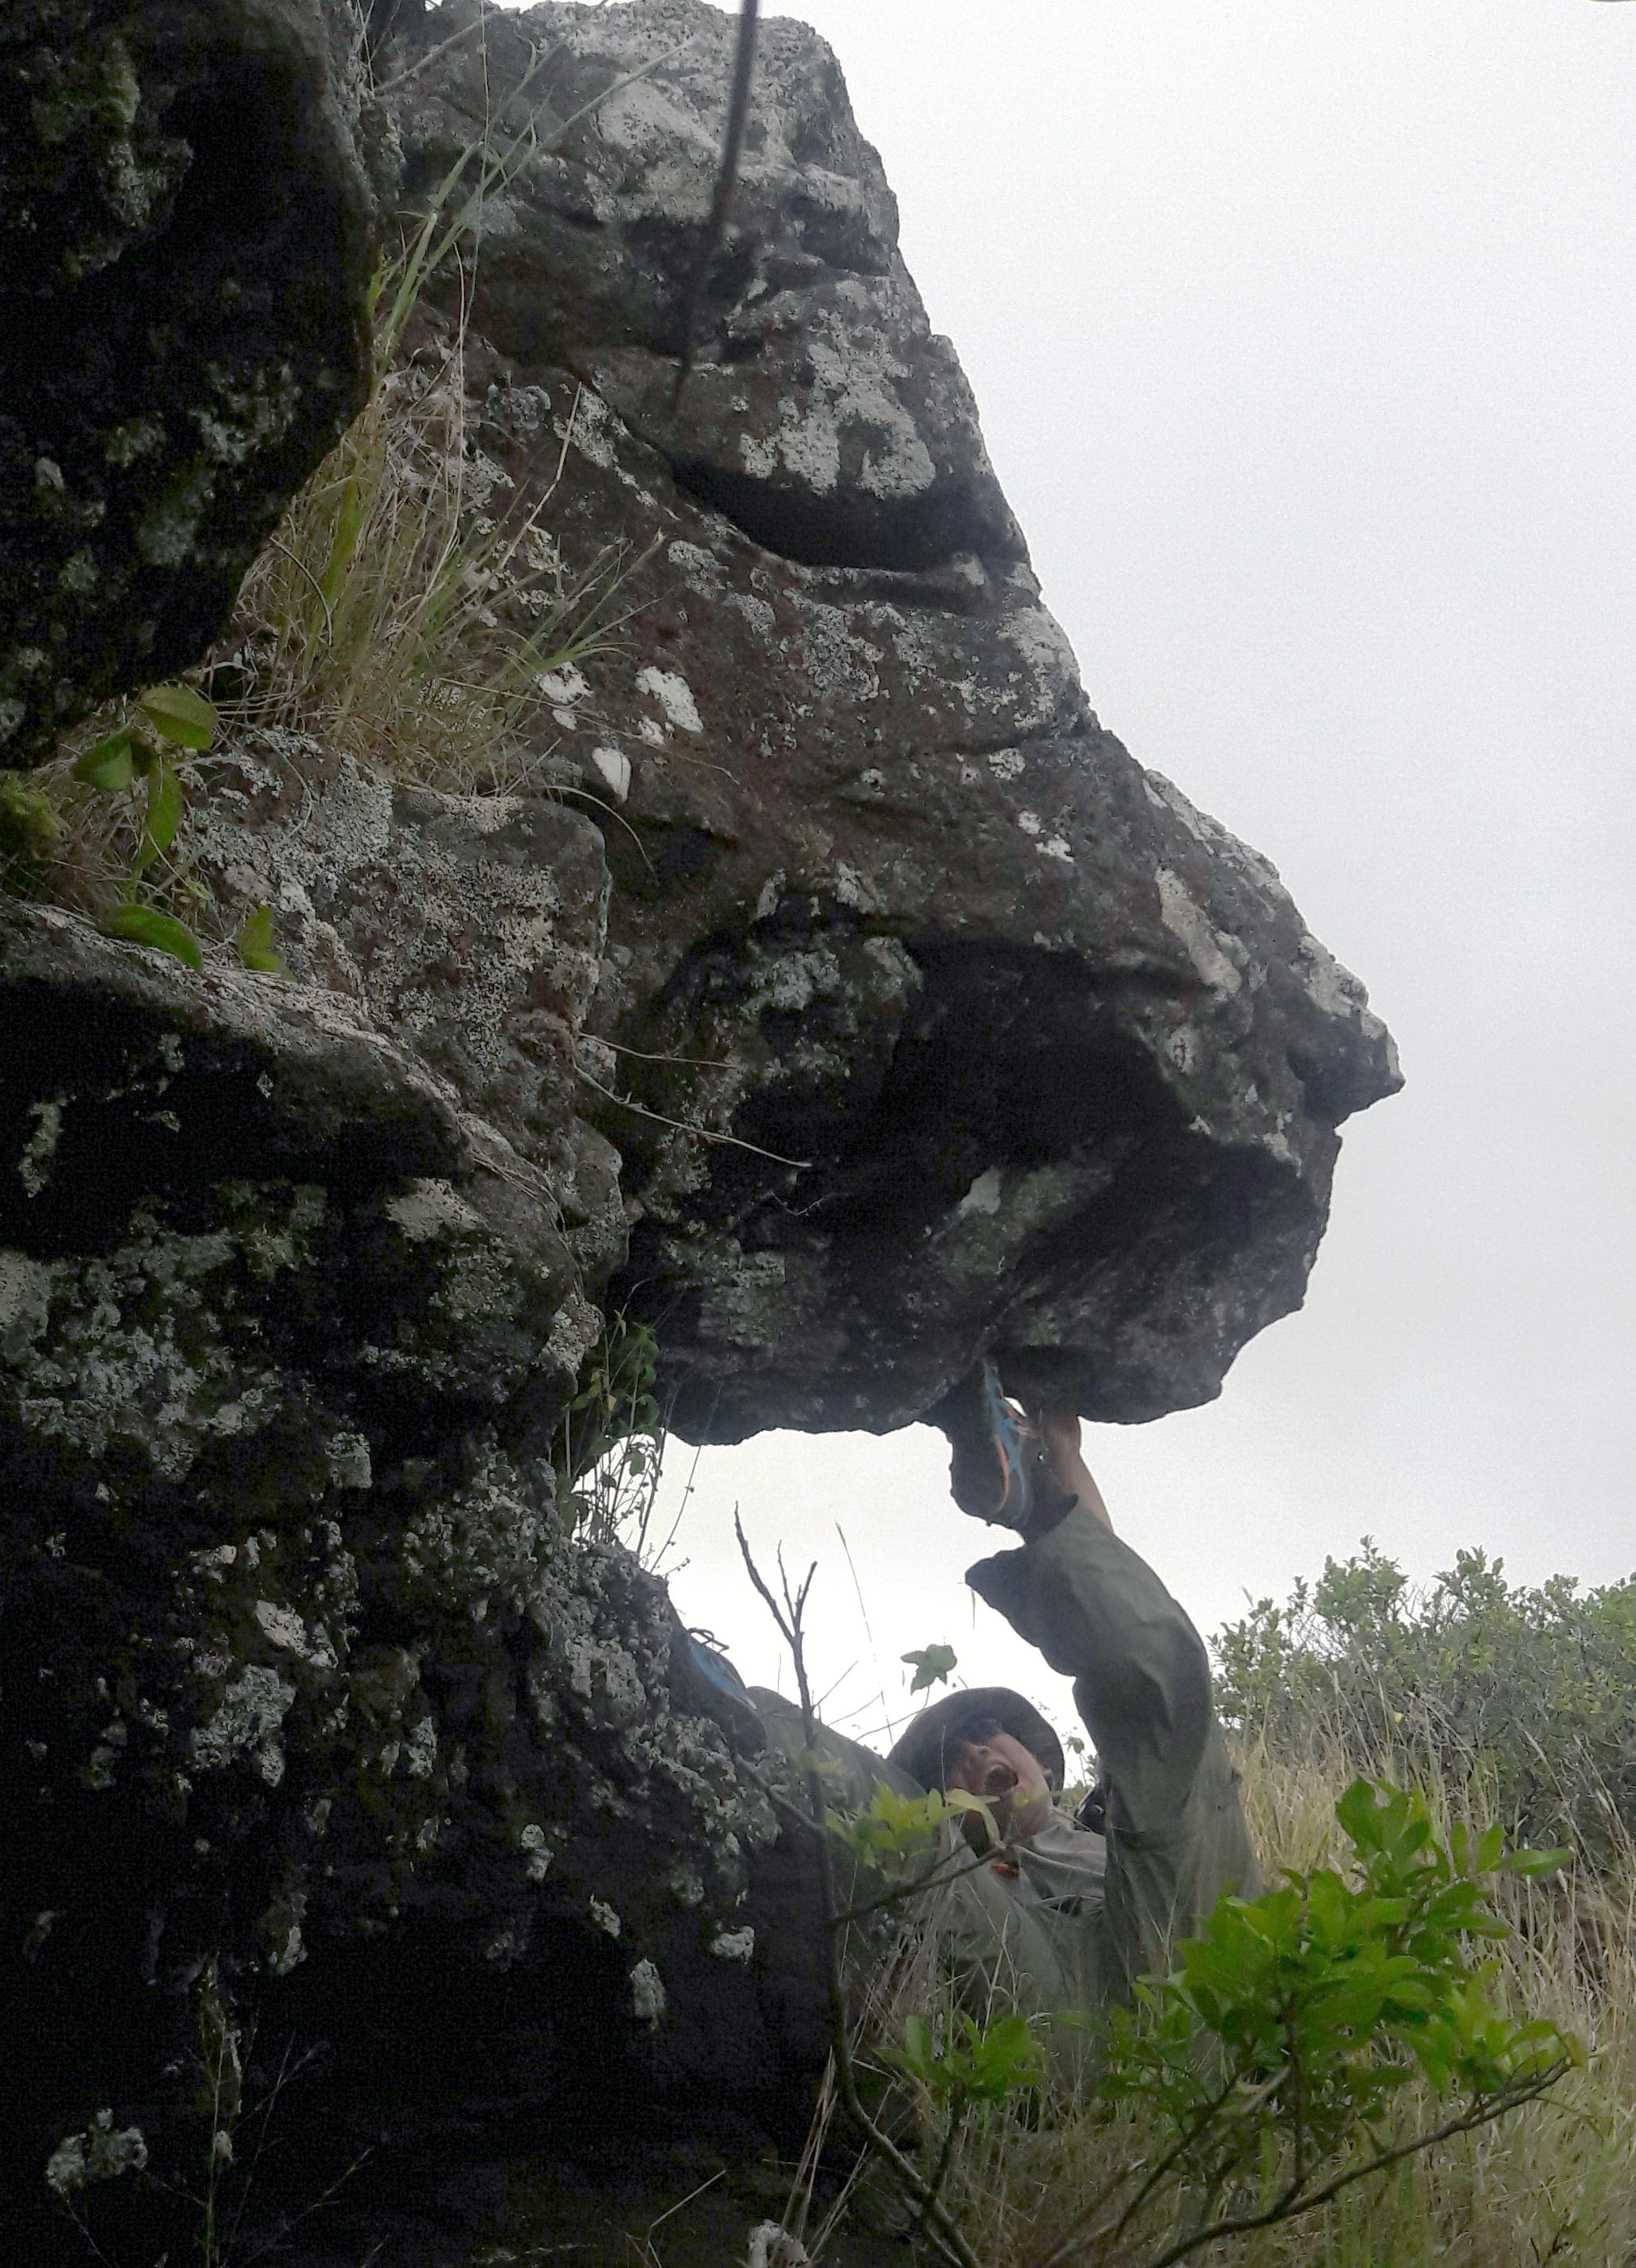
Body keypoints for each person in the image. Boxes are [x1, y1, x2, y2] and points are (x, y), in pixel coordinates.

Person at [731, 1370, 1260, 2060]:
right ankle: (727, 1713)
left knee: (1170, 1699)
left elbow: (1130, 1663)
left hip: (1201, 1965)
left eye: (985, 1736)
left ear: (1038, 1756)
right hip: (1070, 2014)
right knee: (903, 1831)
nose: (979, 1758)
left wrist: (1063, 1459)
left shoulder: (1126, 1825)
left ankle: (1028, 1497)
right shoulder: (968, 1881)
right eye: (954, 1767)